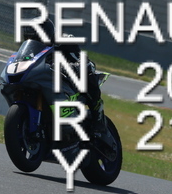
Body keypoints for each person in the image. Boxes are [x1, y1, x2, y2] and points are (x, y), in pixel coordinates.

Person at [22, 17, 116, 150]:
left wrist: (71, 66)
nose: (33, 39)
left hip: (70, 75)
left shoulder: (63, 40)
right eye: (30, 37)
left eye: (36, 36)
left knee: (86, 71)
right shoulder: (32, 48)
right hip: (47, 79)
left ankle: (98, 117)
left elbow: (80, 59)